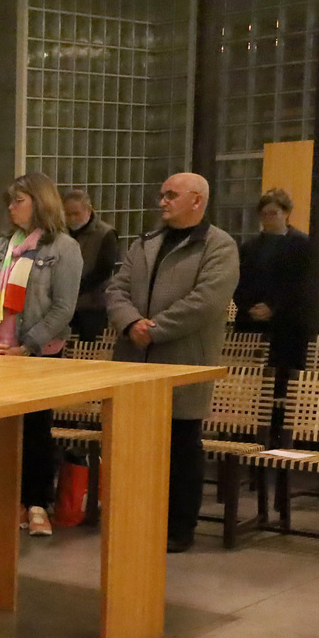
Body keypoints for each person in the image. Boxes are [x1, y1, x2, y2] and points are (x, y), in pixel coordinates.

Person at [105, 172, 239, 553]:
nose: (162, 201)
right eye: (162, 194)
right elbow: (116, 289)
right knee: (134, 447)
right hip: (134, 360)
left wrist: (155, 330)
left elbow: (207, 300)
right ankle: (135, 520)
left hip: (183, 360)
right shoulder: (146, 242)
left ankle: (179, 528)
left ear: (197, 200)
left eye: (171, 195)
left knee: (180, 447)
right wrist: (131, 323)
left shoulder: (218, 246)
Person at [0, 173, 82, 536]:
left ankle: (37, 502)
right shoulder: (4, 245)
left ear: (40, 202)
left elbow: (63, 308)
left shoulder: (63, 248)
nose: (11, 207)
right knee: (1, 430)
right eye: (10, 201)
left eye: (18, 200)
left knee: (35, 429)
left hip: (37, 353)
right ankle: (8, 500)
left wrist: (27, 345)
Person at [234, 188, 312, 375]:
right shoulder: (249, 247)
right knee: (248, 375)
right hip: (251, 320)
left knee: (283, 376)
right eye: (264, 214)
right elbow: (238, 281)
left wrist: (273, 307)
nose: (268, 218)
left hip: (287, 323)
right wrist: (249, 306)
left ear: (286, 213)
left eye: (273, 213)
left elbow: (303, 285)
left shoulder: (303, 244)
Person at [62, 188, 120, 340]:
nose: (72, 218)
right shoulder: (61, 232)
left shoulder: (105, 233)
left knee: (88, 346)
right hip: (64, 305)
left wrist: (76, 288)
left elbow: (103, 270)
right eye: (68, 214)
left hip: (92, 305)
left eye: (76, 213)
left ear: (88, 210)